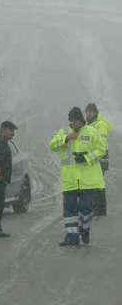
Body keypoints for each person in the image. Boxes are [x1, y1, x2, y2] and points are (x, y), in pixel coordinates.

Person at [49, 107, 106, 246]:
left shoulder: (92, 132)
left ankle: (84, 230)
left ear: (82, 120)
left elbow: (102, 149)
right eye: (73, 121)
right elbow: (52, 145)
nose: (75, 124)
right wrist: (66, 138)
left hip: (88, 181)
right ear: (70, 121)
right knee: (70, 210)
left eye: (78, 121)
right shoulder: (64, 132)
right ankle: (72, 236)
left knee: (86, 209)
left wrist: (86, 158)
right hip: (70, 181)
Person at [85, 103, 113, 216]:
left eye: (91, 112)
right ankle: (97, 208)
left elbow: (101, 143)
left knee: (97, 184)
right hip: (93, 158)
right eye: (87, 112)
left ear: (95, 112)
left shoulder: (100, 125)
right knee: (94, 184)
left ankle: (100, 209)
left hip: (100, 159)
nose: (88, 114)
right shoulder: (90, 124)